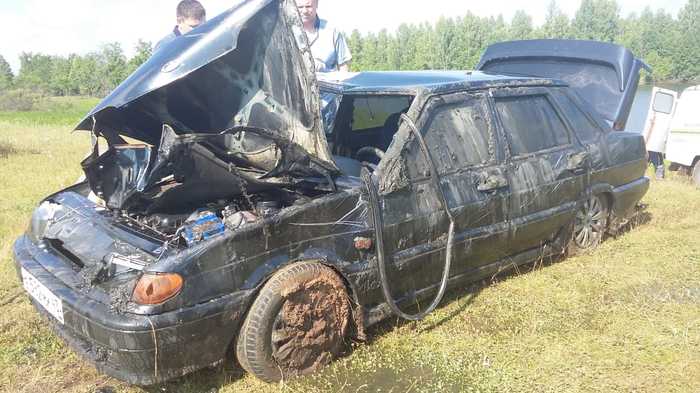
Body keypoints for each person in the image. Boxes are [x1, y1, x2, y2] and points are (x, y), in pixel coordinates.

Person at [296, 0, 352, 72]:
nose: (304, 11)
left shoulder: (333, 31)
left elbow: (344, 67)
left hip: (328, 82)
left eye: (308, 6)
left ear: (317, 5)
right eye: (300, 7)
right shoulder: (287, 31)